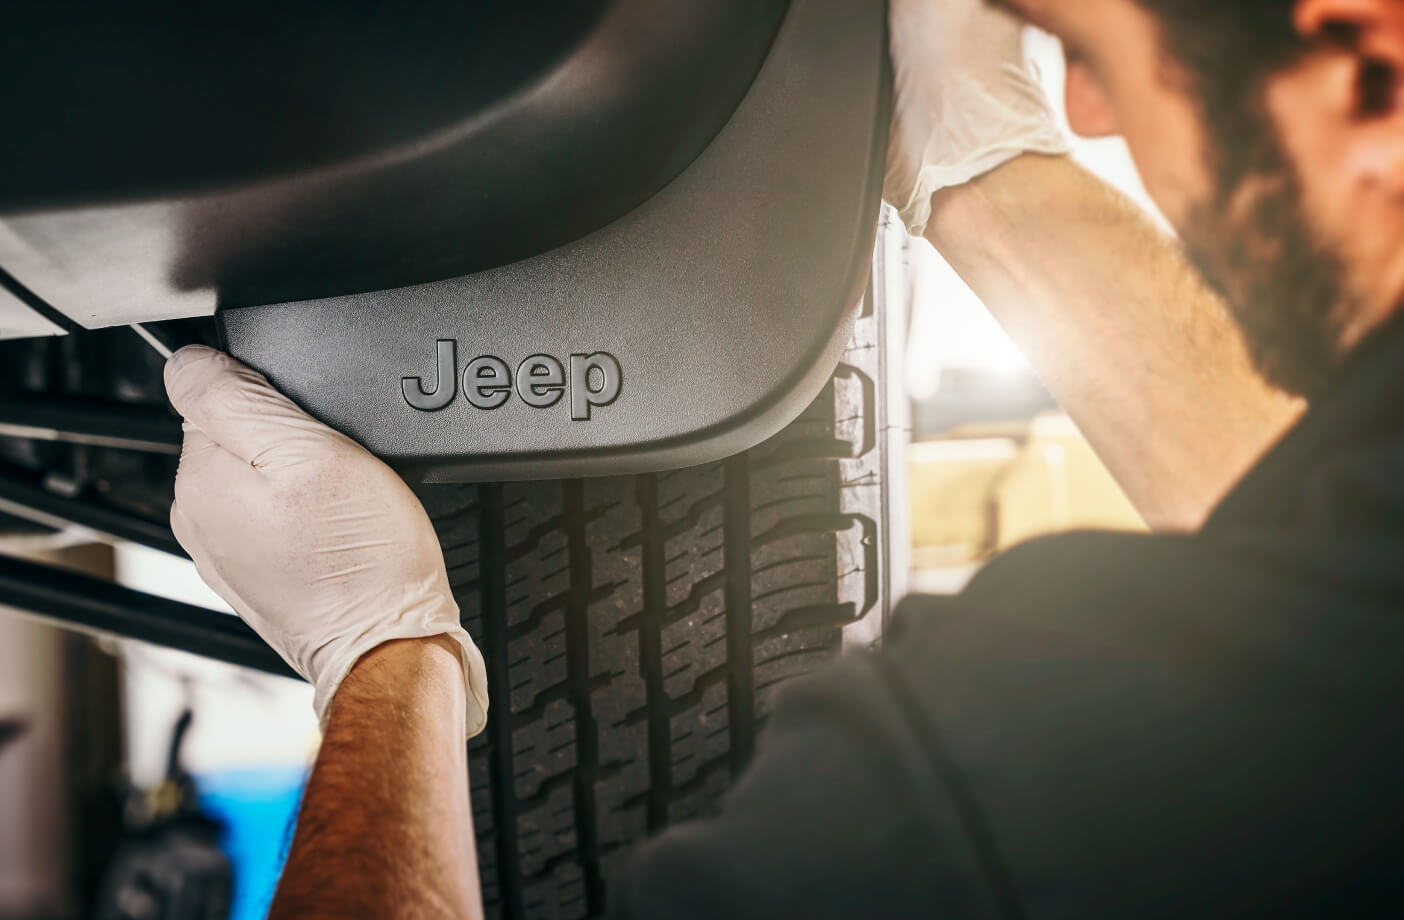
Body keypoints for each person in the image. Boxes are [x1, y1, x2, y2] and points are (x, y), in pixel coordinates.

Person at [160, 0, 1404, 913]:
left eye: (1090, 49)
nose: (1086, 108)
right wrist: (993, 180)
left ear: (1368, 57)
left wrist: (380, 660)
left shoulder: (1024, 797)